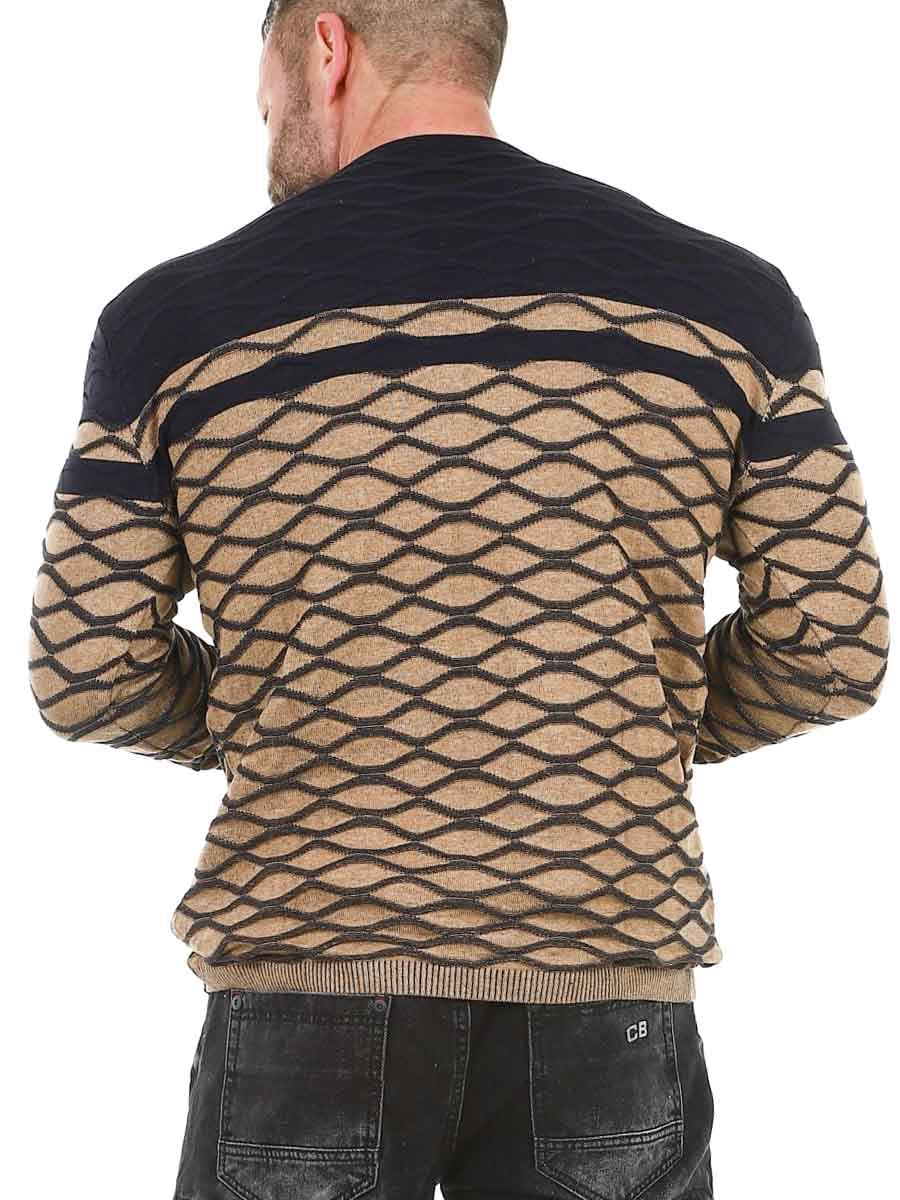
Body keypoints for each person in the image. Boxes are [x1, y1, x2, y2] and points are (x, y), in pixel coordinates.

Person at [27, 3, 889, 1198]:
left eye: (264, 80)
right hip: (606, 986)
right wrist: (620, 721)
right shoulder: (727, 302)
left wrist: (272, 715)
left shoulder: (175, 323)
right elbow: (835, 647)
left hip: (306, 987)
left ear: (326, 48)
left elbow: (83, 670)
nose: (262, 113)